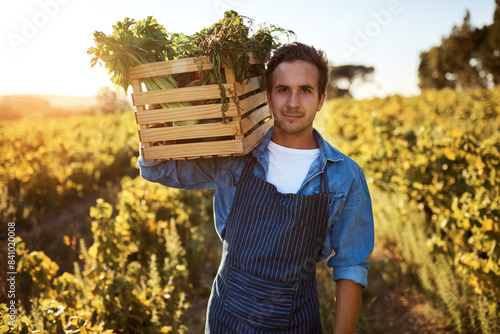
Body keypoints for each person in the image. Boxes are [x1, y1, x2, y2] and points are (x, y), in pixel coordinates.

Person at [138, 41, 374, 334]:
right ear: (267, 96)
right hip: (226, 320)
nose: (292, 103)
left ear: (321, 99)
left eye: (305, 90)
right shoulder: (237, 155)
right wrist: (161, 109)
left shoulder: (344, 177)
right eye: (283, 89)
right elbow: (154, 168)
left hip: (295, 324)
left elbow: (350, 265)